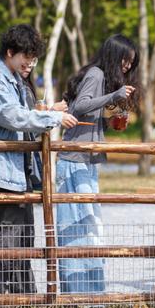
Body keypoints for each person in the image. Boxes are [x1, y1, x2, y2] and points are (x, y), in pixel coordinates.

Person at [0, 24, 77, 294]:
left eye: (34, 57)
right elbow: (13, 116)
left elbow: (23, 112)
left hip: (17, 173)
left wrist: (47, 110)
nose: (30, 63)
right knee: (2, 238)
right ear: (10, 52)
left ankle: (21, 296)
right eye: (26, 56)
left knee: (23, 236)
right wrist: (52, 118)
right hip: (1, 173)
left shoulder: (13, 79)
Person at [56, 34, 140, 293]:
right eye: (124, 61)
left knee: (89, 225)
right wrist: (114, 95)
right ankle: (79, 290)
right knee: (77, 226)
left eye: (130, 63)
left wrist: (107, 123)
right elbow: (78, 107)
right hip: (74, 159)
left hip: (85, 160)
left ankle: (90, 289)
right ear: (114, 57)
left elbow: (85, 117)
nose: (126, 67)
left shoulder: (98, 78)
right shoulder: (96, 75)